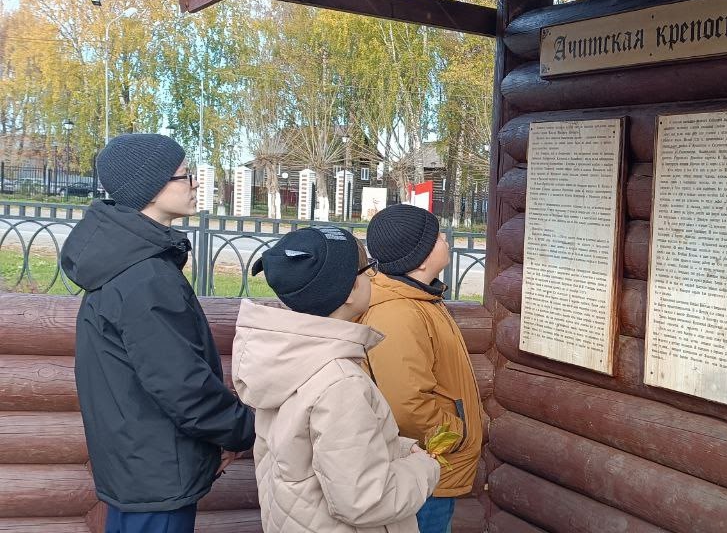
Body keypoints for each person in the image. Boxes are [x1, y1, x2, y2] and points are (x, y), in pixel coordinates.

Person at [61, 133, 255, 533]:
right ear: (149, 188)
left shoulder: (126, 258)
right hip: (157, 471)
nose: (196, 184)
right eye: (185, 175)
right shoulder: (144, 276)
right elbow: (182, 385)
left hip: (139, 463)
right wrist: (244, 430)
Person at [233, 226, 440, 532]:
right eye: (368, 270)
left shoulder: (288, 359)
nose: (373, 278)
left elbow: (311, 449)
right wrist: (424, 467)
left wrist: (396, 449)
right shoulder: (340, 382)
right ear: (350, 290)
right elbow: (364, 500)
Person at [362, 204, 483, 533]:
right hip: (422, 470)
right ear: (421, 258)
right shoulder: (398, 313)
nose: (446, 240)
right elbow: (407, 405)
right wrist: (454, 435)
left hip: (428, 465)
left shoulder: (419, 299)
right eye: (439, 236)